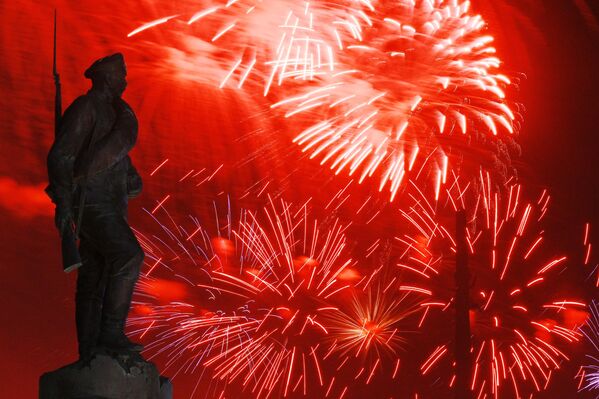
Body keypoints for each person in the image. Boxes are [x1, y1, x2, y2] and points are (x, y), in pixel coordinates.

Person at [46, 53, 144, 360]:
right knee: (129, 255)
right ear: (105, 77)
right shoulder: (86, 107)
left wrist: (131, 178)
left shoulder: (115, 115)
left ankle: (91, 350)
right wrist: (63, 202)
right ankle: (111, 333)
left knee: (94, 276)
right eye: (120, 75)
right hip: (91, 203)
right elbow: (60, 156)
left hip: (111, 202)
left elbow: (115, 157)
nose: (124, 81)